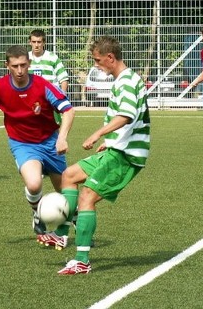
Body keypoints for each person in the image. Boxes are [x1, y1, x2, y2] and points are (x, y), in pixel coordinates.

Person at [37, 36, 150, 275]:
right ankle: (61, 235)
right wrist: (110, 141)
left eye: (98, 61)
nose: (96, 65)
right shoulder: (124, 79)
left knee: (86, 196)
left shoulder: (127, 81)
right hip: (116, 148)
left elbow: (127, 115)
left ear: (110, 58)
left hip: (126, 156)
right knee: (68, 176)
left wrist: (98, 134)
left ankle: (82, 261)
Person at [0, 45, 75, 236]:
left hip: (50, 141)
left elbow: (68, 110)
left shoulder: (42, 85)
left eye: (23, 65)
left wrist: (62, 138)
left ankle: (77, 222)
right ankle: (37, 213)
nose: (19, 71)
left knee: (65, 191)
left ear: (29, 63)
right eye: (15, 66)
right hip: (22, 144)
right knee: (34, 184)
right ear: (7, 66)